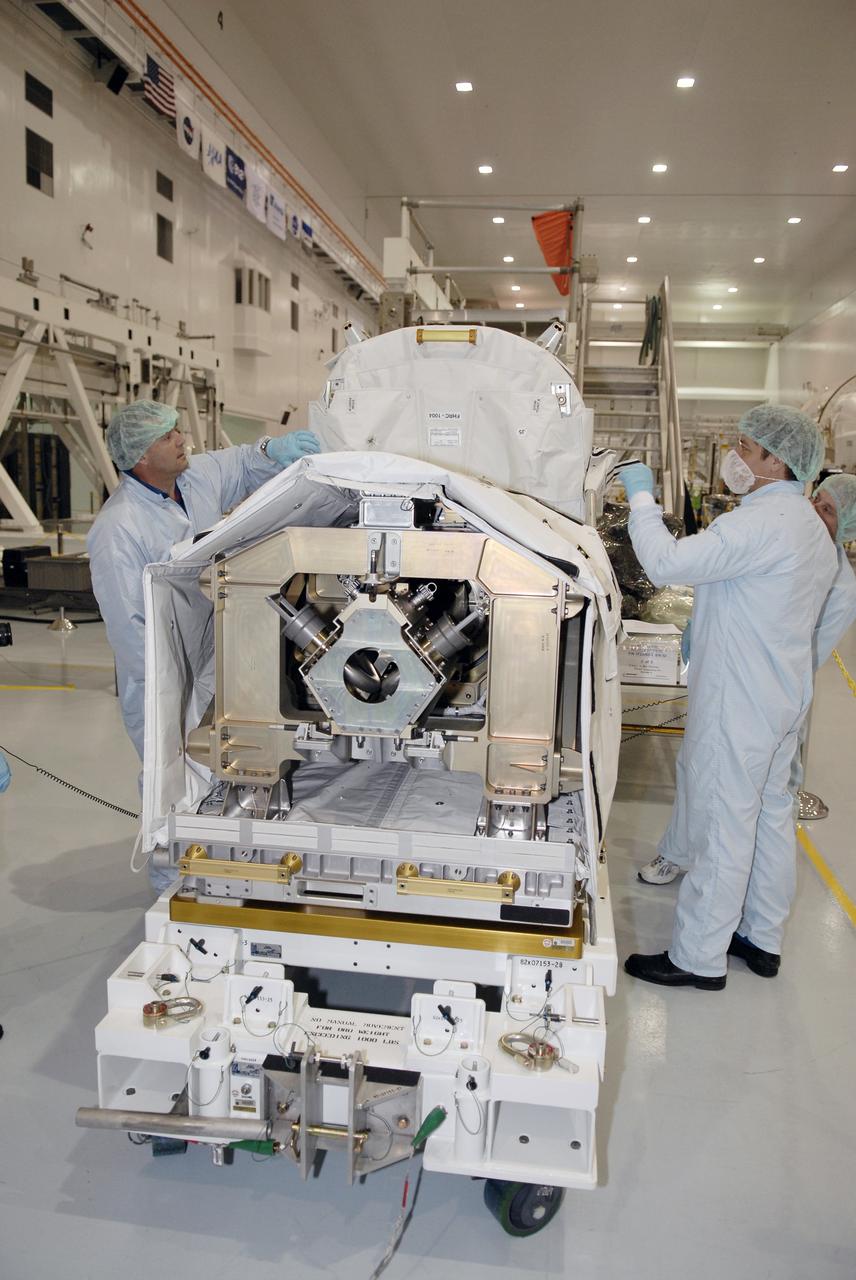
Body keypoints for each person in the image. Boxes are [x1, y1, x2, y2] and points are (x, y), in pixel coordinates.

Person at [618, 405, 837, 989]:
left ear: (776, 459)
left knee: (724, 822)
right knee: (768, 818)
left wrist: (641, 494)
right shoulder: (807, 526)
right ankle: (761, 938)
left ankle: (698, 957)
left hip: (740, 700)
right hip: (783, 695)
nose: (735, 457)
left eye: (745, 447)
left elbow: (664, 563)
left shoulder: (758, 523)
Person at [643, 470, 856, 882]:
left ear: (847, 526)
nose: (815, 511)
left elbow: (804, 651)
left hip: (762, 694)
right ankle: (678, 852)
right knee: (695, 771)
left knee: (740, 801)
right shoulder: (791, 540)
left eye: (828, 510)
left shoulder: (840, 585)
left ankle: (721, 889)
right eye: (818, 501)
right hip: (729, 681)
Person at [88, 400, 320, 762]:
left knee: (218, 762)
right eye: (167, 437)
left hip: (210, 650)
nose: (181, 440)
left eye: (177, 429)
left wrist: (271, 449)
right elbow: (129, 628)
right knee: (171, 775)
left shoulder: (194, 478)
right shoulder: (118, 528)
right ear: (141, 456)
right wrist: (168, 690)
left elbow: (241, 464)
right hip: (162, 674)